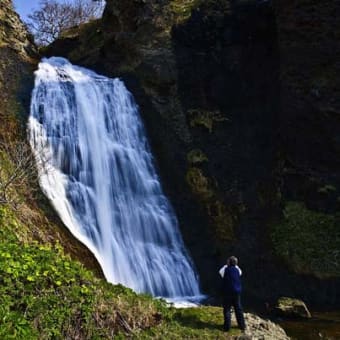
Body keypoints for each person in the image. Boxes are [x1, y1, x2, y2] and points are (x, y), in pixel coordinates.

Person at [219, 256, 246, 332]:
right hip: (237, 291)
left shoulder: (225, 269)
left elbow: (220, 272)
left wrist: (226, 265)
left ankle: (227, 327)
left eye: (227, 261)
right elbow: (240, 273)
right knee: (238, 308)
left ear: (229, 262)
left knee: (227, 309)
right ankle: (242, 325)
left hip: (227, 291)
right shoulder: (238, 269)